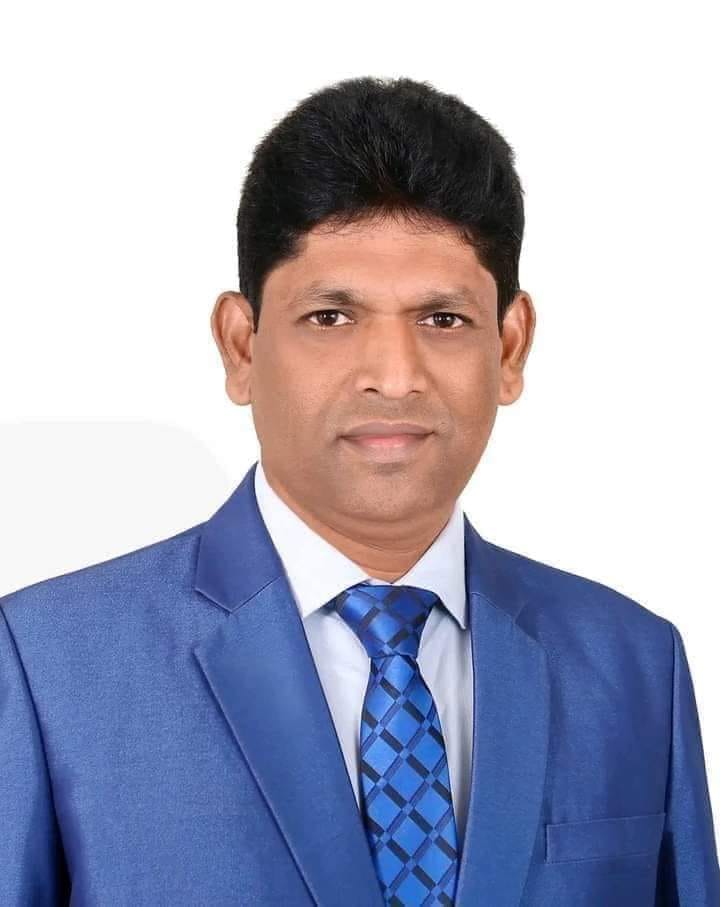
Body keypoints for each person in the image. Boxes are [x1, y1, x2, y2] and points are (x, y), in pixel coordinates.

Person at [1, 75, 717, 906]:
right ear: (241, 345)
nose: (393, 375)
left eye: (442, 319)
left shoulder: (633, 664)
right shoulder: (46, 665)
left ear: (510, 346)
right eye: (331, 317)